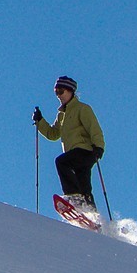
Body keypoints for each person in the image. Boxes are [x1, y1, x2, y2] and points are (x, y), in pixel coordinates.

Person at [34, 75, 105, 213]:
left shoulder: (82, 108)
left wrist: (99, 147)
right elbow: (53, 134)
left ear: (70, 91)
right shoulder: (62, 114)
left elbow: (94, 128)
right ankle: (93, 216)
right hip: (75, 154)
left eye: (61, 91)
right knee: (83, 185)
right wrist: (40, 121)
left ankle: (74, 197)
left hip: (86, 150)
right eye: (56, 92)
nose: (58, 95)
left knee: (62, 162)